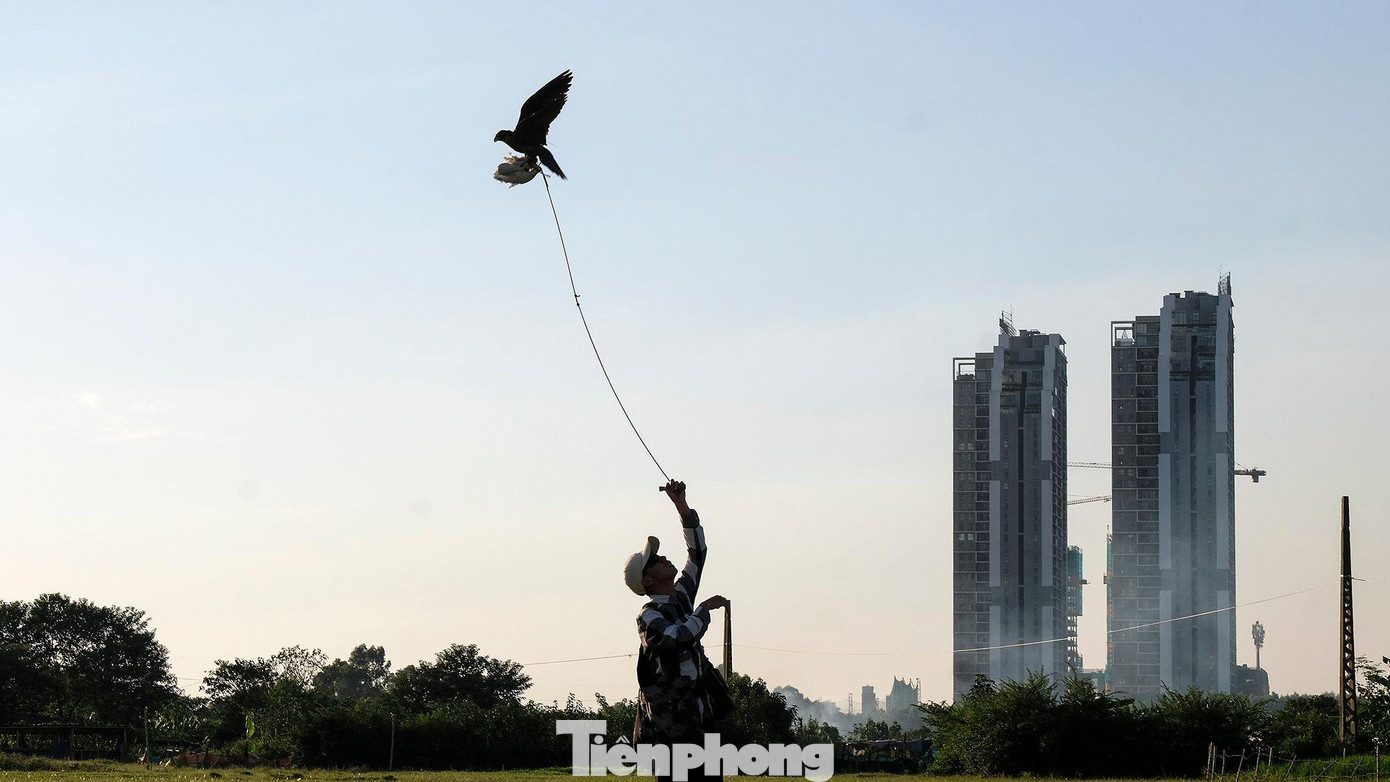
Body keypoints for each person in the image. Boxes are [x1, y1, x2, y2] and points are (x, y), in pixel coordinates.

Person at [622, 479, 728, 781]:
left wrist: (681, 505)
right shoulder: (649, 616)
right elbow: (676, 639)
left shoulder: (679, 597)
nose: (662, 558)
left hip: (698, 719)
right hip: (671, 728)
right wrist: (703, 611)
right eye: (653, 561)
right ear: (648, 582)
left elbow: (697, 553)